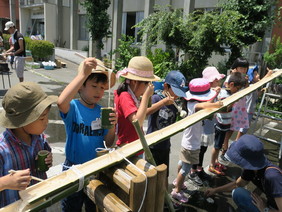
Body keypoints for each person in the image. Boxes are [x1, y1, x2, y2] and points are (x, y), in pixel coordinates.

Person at [57, 57, 117, 212]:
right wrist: (82, 74)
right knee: (71, 207)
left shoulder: (101, 112)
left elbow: (109, 143)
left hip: (95, 170)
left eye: (103, 87)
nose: (99, 91)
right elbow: (61, 102)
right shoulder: (73, 108)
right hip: (73, 168)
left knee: (93, 207)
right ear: (80, 87)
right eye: (94, 85)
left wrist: (112, 126)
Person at [0, 82, 56, 207]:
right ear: (23, 121)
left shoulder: (40, 139)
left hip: (39, 204)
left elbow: (47, 155)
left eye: (47, 116)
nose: (46, 122)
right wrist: (5, 182)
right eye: (42, 118)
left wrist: (48, 159)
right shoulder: (3, 150)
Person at [171, 78, 223, 203]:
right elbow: (206, 104)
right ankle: (177, 191)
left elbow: (204, 103)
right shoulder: (196, 106)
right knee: (186, 169)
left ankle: (177, 182)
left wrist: (213, 93)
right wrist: (218, 102)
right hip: (191, 145)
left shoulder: (191, 104)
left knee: (181, 162)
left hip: (187, 141)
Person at [205, 135, 282, 212]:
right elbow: (237, 184)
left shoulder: (273, 176)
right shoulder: (252, 168)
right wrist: (215, 190)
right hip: (271, 205)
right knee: (238, 192)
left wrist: (265, 209)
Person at [146, 70, 188, 186]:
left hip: (165, 146)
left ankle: (163, 200)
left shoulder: (175, 105)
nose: (176, 95)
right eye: (175, 91)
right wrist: (164, 102)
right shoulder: (156, 98)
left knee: (164, 175)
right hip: (152, 146)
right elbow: (145, 112)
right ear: (166, 86)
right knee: (151, 176)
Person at [188, 67, 226, 186]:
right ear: (210, 82)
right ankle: (193, 171)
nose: (219, 83)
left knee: (203, 149)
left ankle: (199, 169)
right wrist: (215, 95)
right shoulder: (202, 94)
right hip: (201, 129)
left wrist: (216, 93)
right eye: (217, 80)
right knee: (198, 150)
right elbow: (206, 105)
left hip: (208, 127)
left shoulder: (212, 91)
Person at [114, 56, 159, 147]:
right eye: (146, 83)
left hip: (133, 146)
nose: (149, 86)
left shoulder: (132, 96)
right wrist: (146, 96)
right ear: (134, 82)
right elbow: (137, 123)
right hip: (127, 148)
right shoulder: (125, 96)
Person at [208, 72, 246, 176]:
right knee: (217, 146)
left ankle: (216, 162)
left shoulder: (231, 93)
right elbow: (223, 110)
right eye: (238, 88)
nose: (238, 91)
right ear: (232, 84)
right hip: (221, 125)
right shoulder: (224, 94)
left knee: (219, 146)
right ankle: (212, 165)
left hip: (226, 123)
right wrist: (234, 101)